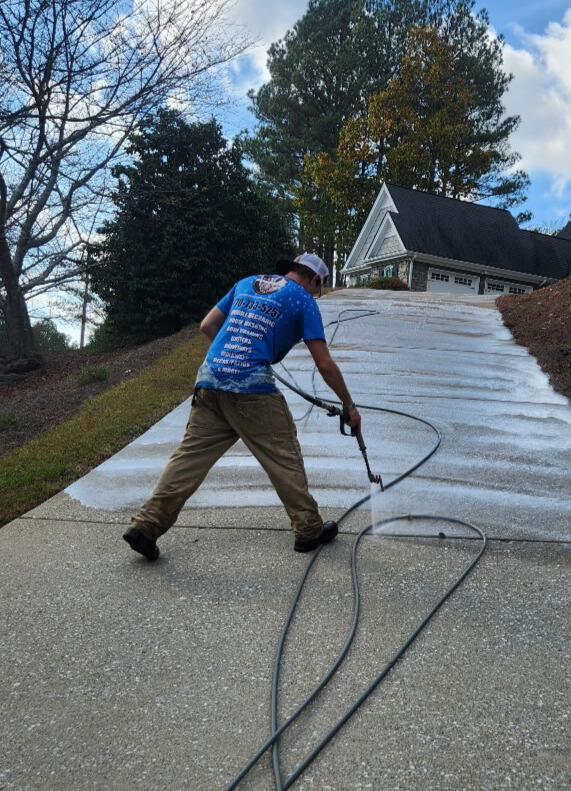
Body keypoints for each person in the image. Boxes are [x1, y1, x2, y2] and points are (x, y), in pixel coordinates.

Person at [123, 253, 361, 561]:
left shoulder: (247, 282)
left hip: (210, 381)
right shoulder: (303, 299)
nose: (317, 291)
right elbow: (324, 364)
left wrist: (233, 355)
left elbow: (207, 325)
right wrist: (349, 406)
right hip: (253, 389)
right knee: (283, 456)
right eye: (319, 286)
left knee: (189, 458)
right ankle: (308, 529)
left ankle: (146, 525)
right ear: (314, 279)